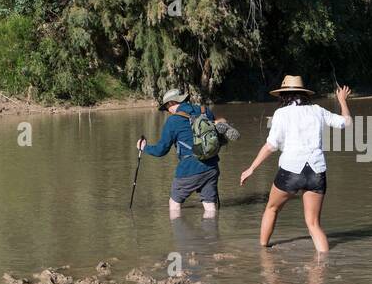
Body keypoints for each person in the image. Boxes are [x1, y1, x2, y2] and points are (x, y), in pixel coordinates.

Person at [239, 75, 352, 253]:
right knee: (313, 224)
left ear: (284, 96)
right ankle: (324, 268)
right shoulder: (317, 110)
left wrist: (251, 168)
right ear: (304, 94)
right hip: (316, 172)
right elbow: (346, 123)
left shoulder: (281, 114)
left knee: (272, 208)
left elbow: (271, 146)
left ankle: (263, 253)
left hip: (290, 172)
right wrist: (342, 101)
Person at [137, 87, 223, 221]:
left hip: (190, 169)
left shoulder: (173, 121)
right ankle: (211, 239)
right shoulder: (204, 110)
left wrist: (144, 147)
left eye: (166, 108)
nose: (168, 112)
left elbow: (161, 150)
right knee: (209, 205)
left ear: (171, 103)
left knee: (174, 204)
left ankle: (182, 239)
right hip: (212, 166)